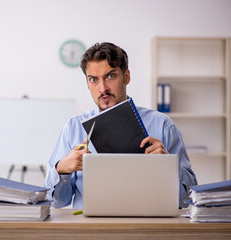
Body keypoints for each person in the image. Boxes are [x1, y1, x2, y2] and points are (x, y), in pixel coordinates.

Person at [44, 42, 197, 209]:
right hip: (90, 231)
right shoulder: (73, 128)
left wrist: (168, 167)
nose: (102, 88)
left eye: (110, 76)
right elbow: (57, 202)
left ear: (126, 76)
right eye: (93, 79)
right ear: (88, 83)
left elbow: (187, 198)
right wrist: (61, 170)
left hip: (146, 228)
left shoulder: (162, 126)